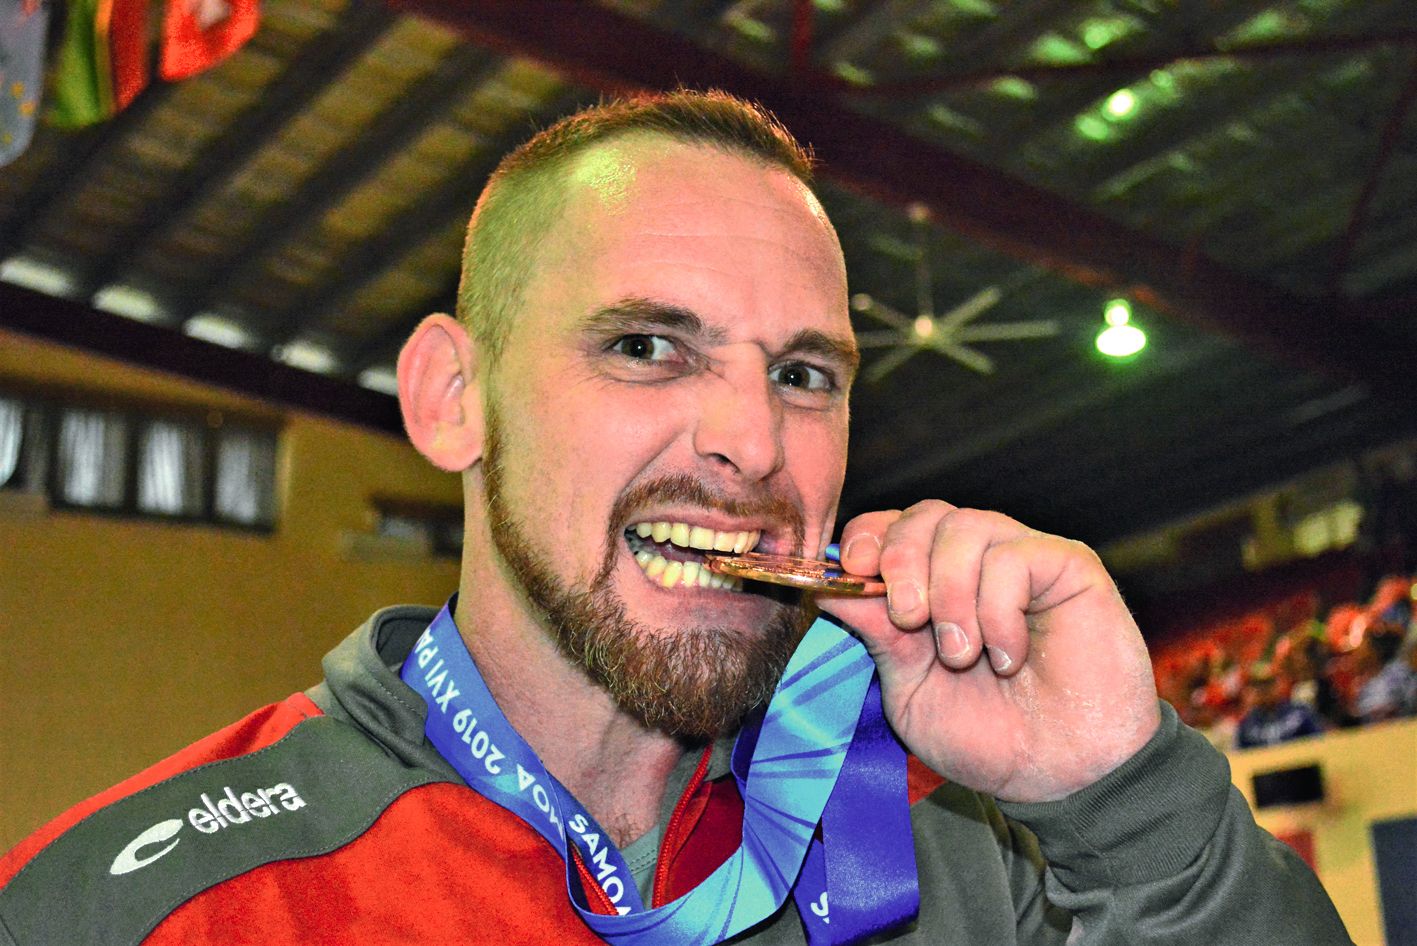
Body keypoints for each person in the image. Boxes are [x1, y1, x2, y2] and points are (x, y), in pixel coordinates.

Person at [0, 91, 1352, 944]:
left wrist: (1124, 794)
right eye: (646, 347)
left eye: (804, 374)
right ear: (453, 398)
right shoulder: (146, 904)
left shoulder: (956, 858)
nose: (753, 442)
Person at [1234, 664, 1326, 749]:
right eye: (1258, 686)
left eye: (1268, 684)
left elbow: (1320, 742)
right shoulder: (1247, 725)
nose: (1264, 690)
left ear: (1278, 684)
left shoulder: (1300, 713)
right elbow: (1241, 756)